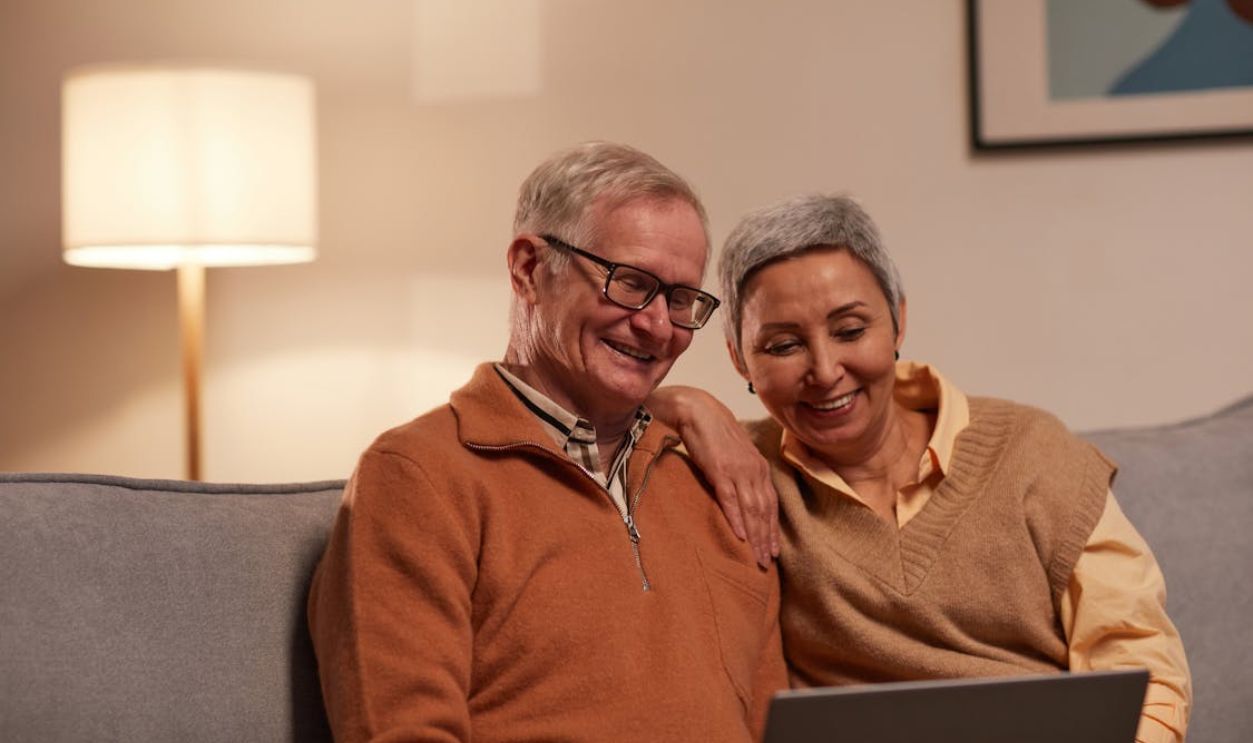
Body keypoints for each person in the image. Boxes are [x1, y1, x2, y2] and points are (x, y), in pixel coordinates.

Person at [652, 194, 1192, 743]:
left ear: (898, 320)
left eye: (850, 330)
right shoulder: (739, 474)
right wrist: (679, 404)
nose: (825, 370)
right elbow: (580, 426)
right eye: (784, 345)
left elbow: (1141, 667)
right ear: (739, 359)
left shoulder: (1035, 451)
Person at [306, 142, 787, 743]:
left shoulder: (721, 482)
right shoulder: (416, 476)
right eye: (630, 283)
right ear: (529, 269)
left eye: (681, 299)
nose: (659, 326)